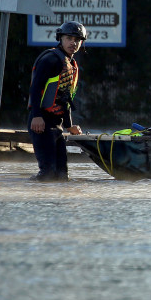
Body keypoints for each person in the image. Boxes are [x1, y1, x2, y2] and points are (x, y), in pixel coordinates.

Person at [27, 21, 87, 181]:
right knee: (47, 174)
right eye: (69, 38)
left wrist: (69, 125)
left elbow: (65, 99)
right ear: (60, 38)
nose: (73, 43)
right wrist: (36, 116)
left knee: (62, 176)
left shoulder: (70, 64)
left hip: (57, 124)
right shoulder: (50, 59)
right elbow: (35, 88)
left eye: (77, 40)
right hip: (41, 121)